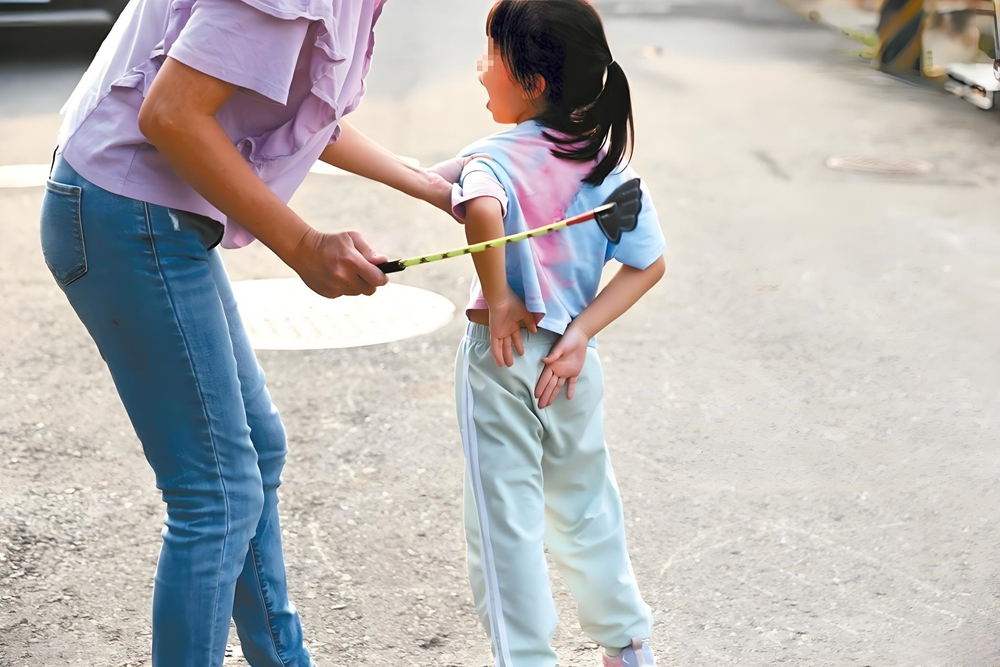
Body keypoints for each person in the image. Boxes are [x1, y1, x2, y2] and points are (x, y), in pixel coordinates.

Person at [37, 0, 475, 664]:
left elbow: (296, 106)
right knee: (215, 494)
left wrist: (427, 184)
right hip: (126, 214)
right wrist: (302, 246)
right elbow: (172, 114)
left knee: (256, 451)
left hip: (153, 215)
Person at [449, 2, 667, 666]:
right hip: (572, 364)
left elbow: (480, 205)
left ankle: (527, 658)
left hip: (503, 357)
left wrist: (503, 293)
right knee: (584, 503)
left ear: (533, 81)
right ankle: (626, 643)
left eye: (490, 56)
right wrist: (579, 333)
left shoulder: (491, 156)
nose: (479, 70)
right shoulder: (606, 164)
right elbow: (648, 262)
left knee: (504, 523)